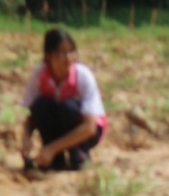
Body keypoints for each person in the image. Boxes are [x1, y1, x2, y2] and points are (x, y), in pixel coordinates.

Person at [20, 28, 106, 172]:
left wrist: (52, 148)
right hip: (59, 123)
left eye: (71, 52)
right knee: (41, 105)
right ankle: (55, 160)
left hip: (86, 130)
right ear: (49, 56)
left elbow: (89, 128)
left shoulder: (83, 77)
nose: (68, 58)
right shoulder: (39, 76)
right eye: (62, 52)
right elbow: (30, 114)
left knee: (68, 107)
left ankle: (79, 153)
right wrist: (26, 138)